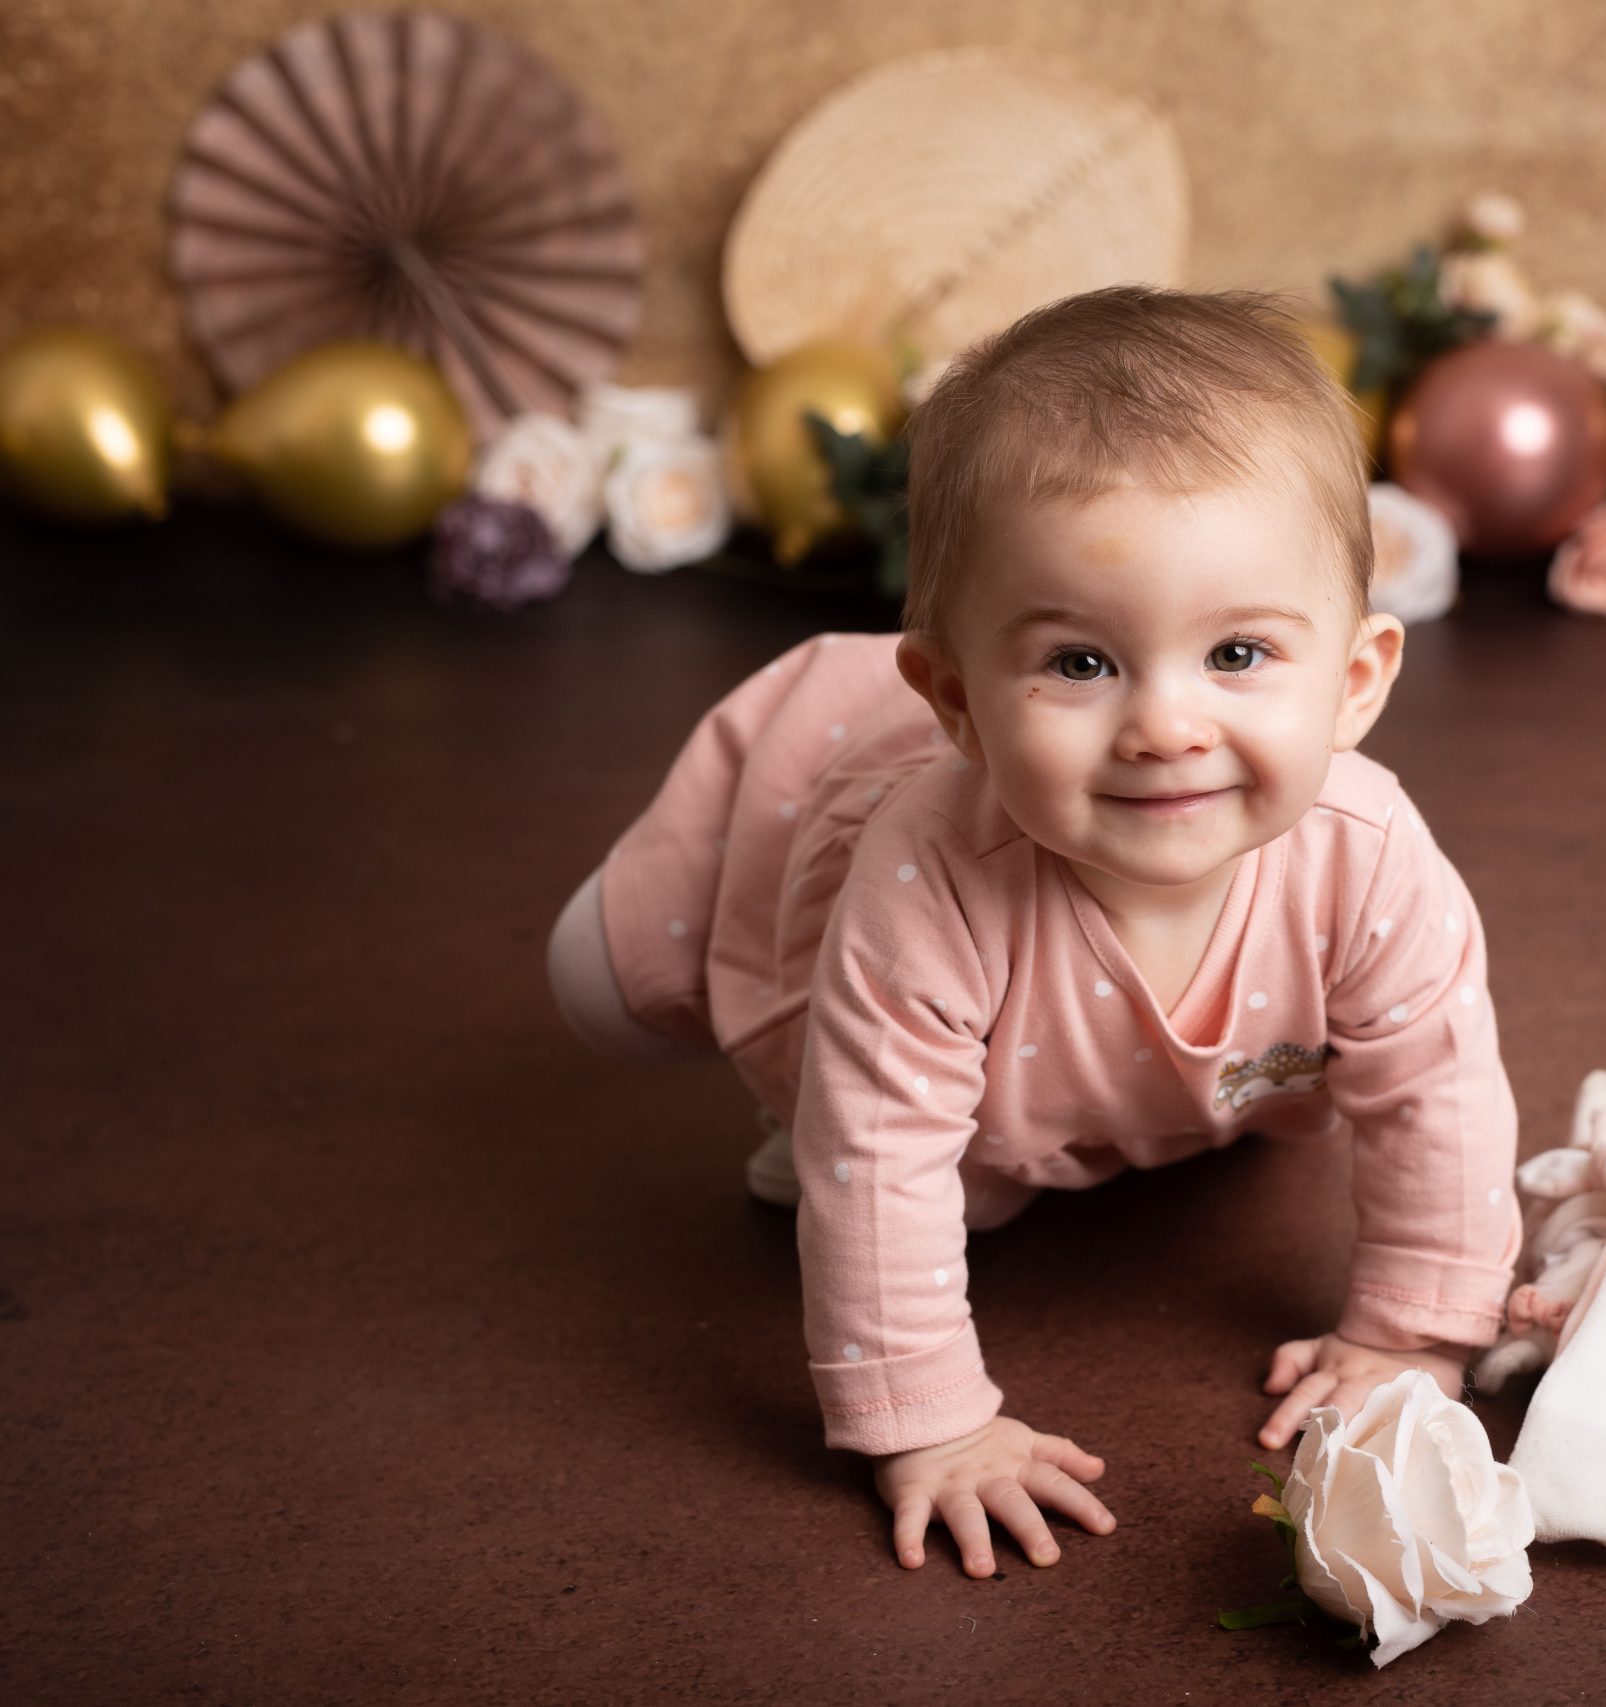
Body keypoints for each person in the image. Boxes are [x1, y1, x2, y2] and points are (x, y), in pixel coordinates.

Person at [544, 284, 1523, 1580]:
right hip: (859, 936)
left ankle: (1062, 1126)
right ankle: (714, 1005)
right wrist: (932, 1426)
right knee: (604, 987)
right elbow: (882, 1156)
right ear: (954, 698)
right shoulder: (930, 875)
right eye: (1079, 664)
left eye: (1237, 655)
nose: (1165, 727)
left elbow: (1438, 1096)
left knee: (1032, 1158)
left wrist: (1410, 1334)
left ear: (1354, 684)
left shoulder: (1370, 858)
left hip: (1128, 1073)